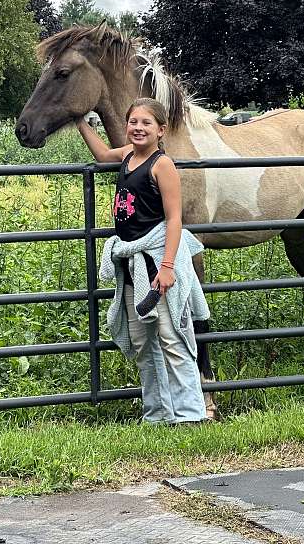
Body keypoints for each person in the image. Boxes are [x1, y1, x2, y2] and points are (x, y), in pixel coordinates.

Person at [76, 98, 209, 423]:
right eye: (133, 122)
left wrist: (167, 267)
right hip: (133, 262)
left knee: (171, 337)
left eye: (146, 123)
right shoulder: (126, 156)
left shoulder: (162, 165)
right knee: (142, 341)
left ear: (160, 130)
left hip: (156, 261)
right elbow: (103, 154)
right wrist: (79, 121)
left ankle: (190, 414)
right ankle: (158, 413)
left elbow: (174, 218)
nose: (138, 128)